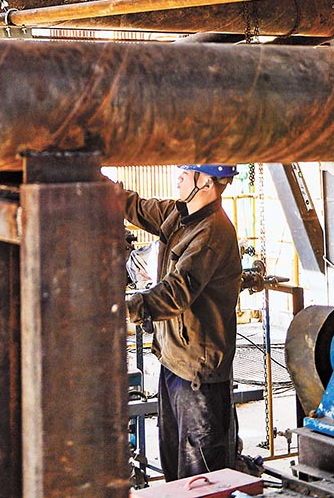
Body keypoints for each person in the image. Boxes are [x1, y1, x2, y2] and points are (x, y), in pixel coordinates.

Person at [122, 164, 242, 482]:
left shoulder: (212, 234)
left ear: (207, 183)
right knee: (175, 470)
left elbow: (177, 292)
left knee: (200, 478)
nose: (179, 177)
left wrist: (124, 308)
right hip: (173, 363)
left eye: (186, 173)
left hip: (198, 378)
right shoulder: (180, 215)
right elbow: (135, 207)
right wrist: (102, 186)